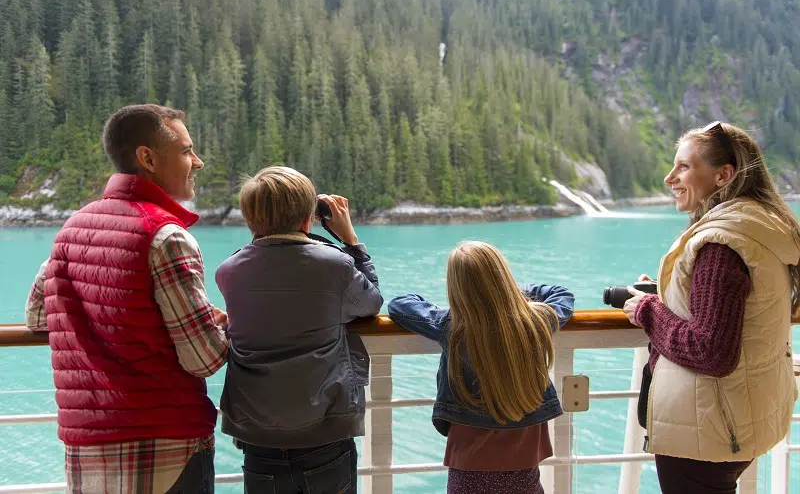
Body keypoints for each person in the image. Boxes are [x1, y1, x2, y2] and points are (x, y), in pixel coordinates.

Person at [24, 104, 229, 493]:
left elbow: (37, 316)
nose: (197, 161)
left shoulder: (73, 227)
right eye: (186, 151)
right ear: (147, 158)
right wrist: (221, 325)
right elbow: (205, 358)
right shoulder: (166, 237)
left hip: (87, 451)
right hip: (165, 446)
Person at [623, 121, 800, 494]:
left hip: (706, 429)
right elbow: (736, 303)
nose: (670, 177)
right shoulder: (757, 226)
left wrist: (648, 310)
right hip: (734, 417)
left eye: (684, 166)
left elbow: (711, 350)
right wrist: (668, 293)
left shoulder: (722, 244)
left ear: (723, 175)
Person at [215, 166, 383, 494]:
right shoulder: (334, 264)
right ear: (308, 218)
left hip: (258, 437)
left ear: (249, 219)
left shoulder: (229, 272)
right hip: (324, 434)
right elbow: (371, 302)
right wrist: (350, 241)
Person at [387, 241, 574, 494]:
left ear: (457, 289)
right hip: (524, 466)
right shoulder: (534, 321)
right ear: (503, 278)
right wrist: (514, 292)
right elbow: (563, 295)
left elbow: (400, 304)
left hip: (469, 467)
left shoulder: (451, 325)